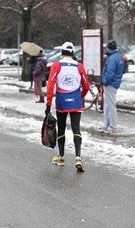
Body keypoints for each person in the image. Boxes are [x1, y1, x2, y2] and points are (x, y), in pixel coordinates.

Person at [45, 42, 90, 172]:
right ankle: (78, 157)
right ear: (72, 53)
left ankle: (61, 157)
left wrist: (48, 103)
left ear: (62, 52)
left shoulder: (56, 65)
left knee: (62, 128)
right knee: (76, 128)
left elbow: (50, 85)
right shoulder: (80, 66)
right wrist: (80, 95)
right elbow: (86, 85)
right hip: (76, 101)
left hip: (62, 102)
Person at [99, 40, 124, 134]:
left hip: (110, 84)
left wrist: (104, 81)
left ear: (108, 48)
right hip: (114, 83)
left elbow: (110, 72)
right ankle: (106, 125)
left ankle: (113, 127)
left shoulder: (112, 58)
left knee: (110, 105)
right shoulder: (118, 57)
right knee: (108, 104)